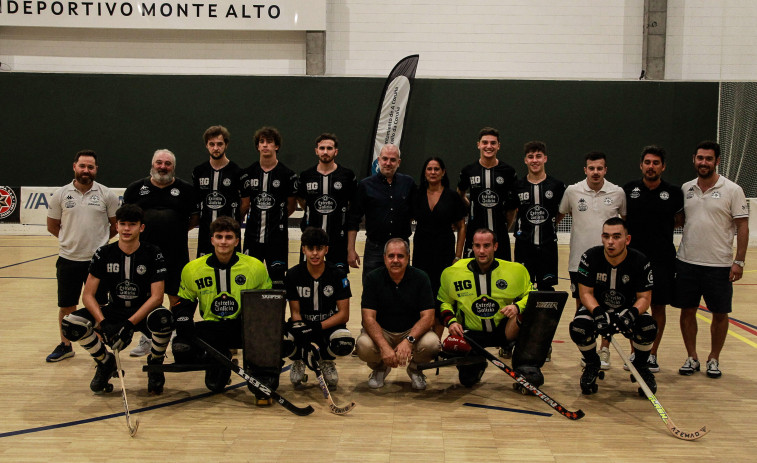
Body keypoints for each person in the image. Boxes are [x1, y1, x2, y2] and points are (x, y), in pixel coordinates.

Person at [60, 204, 172, 394]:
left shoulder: (153, 253)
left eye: (132, 224)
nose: (127, 229)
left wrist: (129, 324)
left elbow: (157, 297)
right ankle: (105, 362)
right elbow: (87, 295)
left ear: (141, 228)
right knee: (71, 324)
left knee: (164, 320)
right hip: (114, 310)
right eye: (122, 224)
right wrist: (103, 324)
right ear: (117, 226)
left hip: (142, 311)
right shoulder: (103, 253)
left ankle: (155, 364)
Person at [172, 217, 274, 403]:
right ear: (212, 240)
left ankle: (261, 375)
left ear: (237, 240)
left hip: (243, 328)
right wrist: (183, 319)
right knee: (181, 348)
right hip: (212, 327)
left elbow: (264, 305)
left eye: (229, 237)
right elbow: (184, 302)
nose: (223, 241)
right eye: (219, 237)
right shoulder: (193, 269)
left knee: (271, 336)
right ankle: (218, 361)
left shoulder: (255, 267)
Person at [674, 140, 749, 379]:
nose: (703, 162)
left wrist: (739, 261)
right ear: (694, 160)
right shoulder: (686, 189)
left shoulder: (733, 190)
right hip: (687, 262)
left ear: (717, 161)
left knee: (720, 313)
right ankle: (692, 357)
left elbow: (743, 227)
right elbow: (678, 221)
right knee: (687, 311)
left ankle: (714, 358)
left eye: (708, 159)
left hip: (719, 265)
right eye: (700, 158)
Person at [123, 149, 199, 357]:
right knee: (146, 297)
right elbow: (127, 221)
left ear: (173, 167)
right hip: (144, 255)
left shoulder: (186, 190)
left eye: (167, 164)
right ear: (152, 164)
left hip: (176, 253)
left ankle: (176, 335)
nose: (163, 167)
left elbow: (193, 220)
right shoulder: (135, 189)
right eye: (159, 162)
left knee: (176, 296)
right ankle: (147, 338)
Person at [568, 217, 657, 395]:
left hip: (628, 308)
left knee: (648, 328)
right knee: (578, 328)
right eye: (606, 236)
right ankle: (593, 364)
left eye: (616, 237)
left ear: (627, 239)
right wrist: (599, 313)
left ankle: (640, 366)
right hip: (597, 307)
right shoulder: (590, 257)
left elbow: (645, 298)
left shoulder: (640, 260)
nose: (610, 242)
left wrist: (631, 314)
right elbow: (585, 293)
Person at [46, 149, 119, 362]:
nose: (86, 170)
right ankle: (65, 345)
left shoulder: (107, 195)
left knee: (98, 306)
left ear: (96, 170)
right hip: (68, 260)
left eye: (90, 167)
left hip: (97, 263)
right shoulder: (60, 195)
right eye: (82, 166)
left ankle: (99, 348)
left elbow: (115, 227)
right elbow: (53, 226)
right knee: (67, 306)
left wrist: (101, 242)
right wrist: (71, 241)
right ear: (74, 167)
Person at [438, 228, 532, 387]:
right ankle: (478, 363)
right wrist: (451, 322)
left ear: (495, 246)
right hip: (471, 334)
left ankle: (527, 367)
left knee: (532, 313)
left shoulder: (516, 271)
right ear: (472, 247)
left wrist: (517, 306)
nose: (481, 251)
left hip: (503, 330)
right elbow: (443, 301)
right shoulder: (453, 272)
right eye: (477, 246)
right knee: (467, 381)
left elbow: (532, 294)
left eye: (487, 245)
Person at [558, 151, 626, 369]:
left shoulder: (618, 192)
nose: (595, 172)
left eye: (599, 168)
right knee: (582, 308)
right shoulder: (572, 191)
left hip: (611, 261)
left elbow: (623, 224)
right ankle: (588, 349)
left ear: (605, 170)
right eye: (591, 168)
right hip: (579, 261)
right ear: (585, 170)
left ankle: (604, 349)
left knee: (608, 305)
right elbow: (560, 215)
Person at [622, 146, 683, 372]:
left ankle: (651, 354)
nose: (651, 166)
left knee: (658, 306)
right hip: (633, 259)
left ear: (663, 166)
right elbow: (624, 218)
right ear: (641, 165)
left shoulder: (674, 193)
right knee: (633, 306)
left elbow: (679, 219)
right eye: (647, 162)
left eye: (656, 163)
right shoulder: (629, 190)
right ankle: (634, 352)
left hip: (663, 259)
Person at [355, 238, 440, 390]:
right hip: (383, 331)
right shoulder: (372, 278)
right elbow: (368, 318)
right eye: (391, 256)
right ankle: (380, 368)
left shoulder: (421, 278)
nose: (395, 260)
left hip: (411, 331)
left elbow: (428, 318)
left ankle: (415, 369)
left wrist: (408, 341)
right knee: (363, 345)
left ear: (408, 258)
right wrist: (384, 347)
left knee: (432, 344)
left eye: (400, 256)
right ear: (384, 258)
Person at [284, 227, 354, 389]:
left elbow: (344, 315)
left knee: (345, 342)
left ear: (326, 250)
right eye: (310, 249)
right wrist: (304, 331)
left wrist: (317, 327)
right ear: (303, 250)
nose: (315, 253)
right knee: (282, 341)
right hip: (302, 324)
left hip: (328, 325)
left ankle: (325, 359)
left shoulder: (337, 274)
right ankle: (299, 359)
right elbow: (295, 311)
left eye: (319, 249)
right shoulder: (293, 274)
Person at [347, 144, 416, 284]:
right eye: (385, 159)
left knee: (402, 290)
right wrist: (351, 250)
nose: (388, 163)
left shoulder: (408, 183)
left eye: (392, 159)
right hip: (375, 248)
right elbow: (353, 219)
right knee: (371, 291)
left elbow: (419, 211)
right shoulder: (365, 185)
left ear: (399, 162)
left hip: (401, 247)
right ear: (378, 160)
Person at [242, 126, 298, 289]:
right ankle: (249, 315)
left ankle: (277, 315)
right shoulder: (248, 174)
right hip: (252, 238)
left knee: (278, 283)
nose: (265, 145)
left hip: (277, 239)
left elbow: (291, 206)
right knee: (249, 282)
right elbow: (245, 204)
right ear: (258, 146)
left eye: (269, 142)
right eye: (262, 142)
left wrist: (276, 220)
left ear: (277, 146)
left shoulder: (288, 175)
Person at [296, 133, 357, 270]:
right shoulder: (306, 175)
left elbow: (353, 206)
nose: (325, 152)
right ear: (316, 150)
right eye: (322, 148)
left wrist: (351, 248)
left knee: (337, 282)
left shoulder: (347, 176)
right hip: (310, 240)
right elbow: (300, 199)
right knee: (307, 279)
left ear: (336, 151)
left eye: (329, 148)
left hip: (338, 241)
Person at [457, 127, 518, 261]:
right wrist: (471, 206)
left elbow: (512, 207)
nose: (489, 146)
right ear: (478, 144)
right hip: (474, 232)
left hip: (500, 235)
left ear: (498, 146)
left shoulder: (508, 171)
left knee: (501, 274)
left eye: (493, 143)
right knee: (473, 272)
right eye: (485, 142)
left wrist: (504, 227)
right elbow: (459, 194)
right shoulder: (469, 170)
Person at [412, 156, 466, 305]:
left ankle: (438, 328)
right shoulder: (416, 195)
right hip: (421, 253)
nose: (433, 172)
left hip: (444, 253)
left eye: (437, 169)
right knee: (421, 294)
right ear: (424, 172)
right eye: (429, 169)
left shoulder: (452, 196)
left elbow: (461, 227)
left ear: (443, 172)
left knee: (442, 296)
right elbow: (406, 220)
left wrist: (457, 255)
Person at [512, 141, 566, 291]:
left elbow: (562, 210)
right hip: (524, 246)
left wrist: (551, 224)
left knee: (546, 290)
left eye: (538, 156)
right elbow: (512, 210)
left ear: (545, 158)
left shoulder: (557, 185)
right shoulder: (517, 186)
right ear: (525, 160)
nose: (534, 160)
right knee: (522, 289)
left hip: (548, 246)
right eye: (530, 157)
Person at [193, 125, 249, 256]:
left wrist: (233, 220)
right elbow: (196, 200)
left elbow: (245, 203)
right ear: (206, 145)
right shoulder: (199, 171)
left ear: (226, 145)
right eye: (211, 144)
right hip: (205, 234)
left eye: (219, 144)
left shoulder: (237, 172)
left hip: (229, 234)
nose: (216, 148)